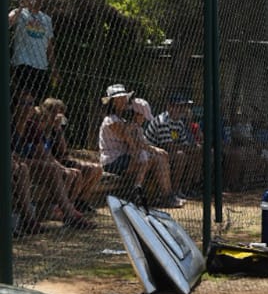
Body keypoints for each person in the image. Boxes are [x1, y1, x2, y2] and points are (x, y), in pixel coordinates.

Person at [11, 90, 91, 228]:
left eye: (30, 103)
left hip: (25, 162)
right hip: (16, 163)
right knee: (22, 167)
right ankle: (30, 220)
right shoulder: (10, 123)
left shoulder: (31, 126)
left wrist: (63, 168)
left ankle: (68, 213)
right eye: (23, 103)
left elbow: (45, 153)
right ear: (14, 106)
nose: (28, 107)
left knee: (58, 169)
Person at [98, 84, 179, 206]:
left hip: (127, 158)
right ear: (112, 102)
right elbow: (132, 141)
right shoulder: (111, 121)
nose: (124, 100)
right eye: (119, 99)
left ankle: (166, 195)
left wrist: (153, 150)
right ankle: (137, 190)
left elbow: (137, 142)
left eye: (124, 97)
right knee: (151, 158)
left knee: (160, 158)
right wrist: (153, 149)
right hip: (113, 160)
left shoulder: (124, 121)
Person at [38, 96, 103, 210]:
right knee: (74, 173)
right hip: (49, 162)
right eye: (53, 111)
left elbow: (63, 150)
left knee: (97, 169)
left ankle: (81, 201)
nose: (57, 115)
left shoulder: (56, 128)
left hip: (60, 159)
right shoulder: (40, 126)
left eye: (59, 112)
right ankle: (66, 206)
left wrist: (58, 129)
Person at [146, 94, 202, 194]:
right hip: (154, 152)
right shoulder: (162, 120)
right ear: (169, 107)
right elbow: (167, 146)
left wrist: (191, 148)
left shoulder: (179, 123)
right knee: (181, 156)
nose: (180, 109)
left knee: (195, 153)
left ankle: (188, 188)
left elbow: (183, 142)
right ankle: (174, 190)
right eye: (177, 106)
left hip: (169, 151)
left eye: (181, 107)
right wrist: (187, 147)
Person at [8, 0, 54, 105]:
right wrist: (21, 7)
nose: (36, 0)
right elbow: (8, 22)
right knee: (25, 102)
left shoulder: (46, 19)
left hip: (41, 65)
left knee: (39, 102)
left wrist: (53, 67)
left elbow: (49, 44)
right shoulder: (20, 13)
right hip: (23, 62)